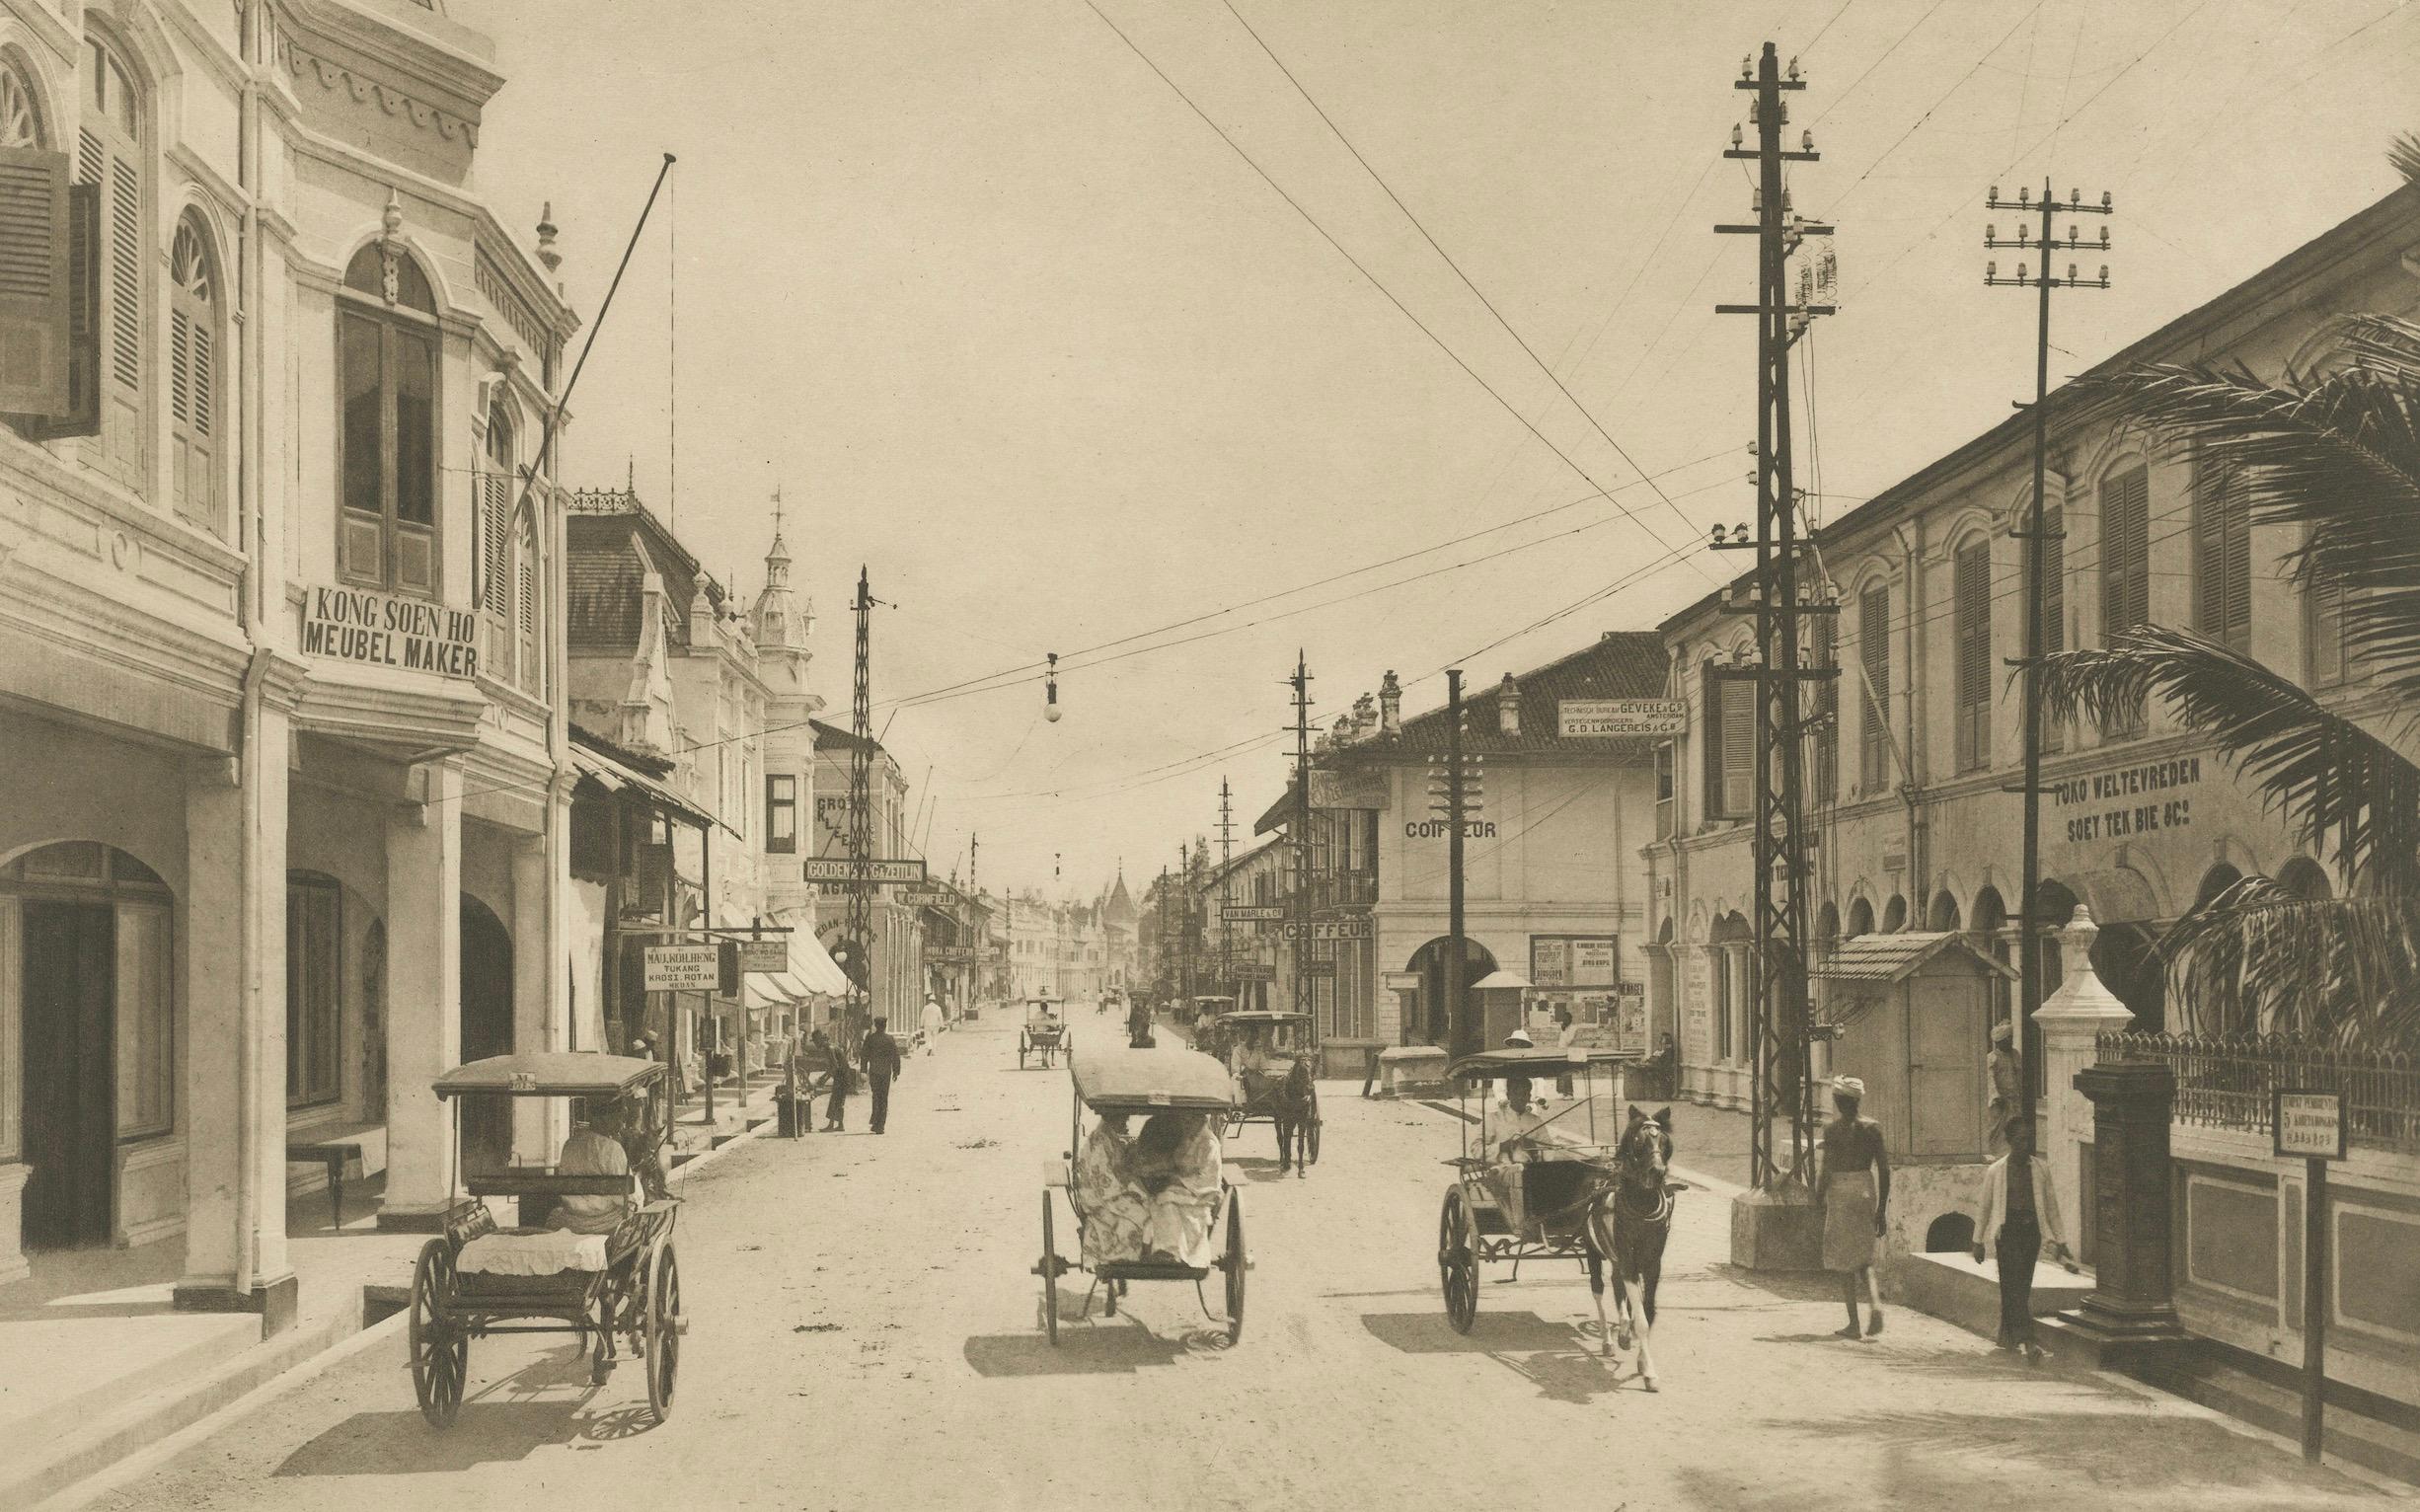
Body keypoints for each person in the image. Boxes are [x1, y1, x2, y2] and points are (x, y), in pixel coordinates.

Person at [1973, 1118, 2076, 1359]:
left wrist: (2060, 1240)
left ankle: (2007, 1336)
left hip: (2031, 1234)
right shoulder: (1996, 1171)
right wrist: (1977, 1241)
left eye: (2028, 1139)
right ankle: (2028, 1341)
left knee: (2020, 1286)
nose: (2025, 1144)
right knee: (2013, 1287)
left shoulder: (2041, 1169)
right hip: (2007, 1233)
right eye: (2020, 1140)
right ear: (2009, 1142)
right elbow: (1985, 1207)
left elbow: (2051, 1207)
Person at [1813, 1075, 1891, 1339]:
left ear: (1837, 1100)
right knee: (1864, 1256)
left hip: (1841, 1191)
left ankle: (1854, 1324)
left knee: (1844, 1261)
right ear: (1858, 1100)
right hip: (1865, 1189)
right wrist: (1881, 1209)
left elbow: (1826, 1170)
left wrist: (1817, 1198)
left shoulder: (1832, 1130)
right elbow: (1883, 1168)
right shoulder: (1873, 1128)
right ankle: (1876, 1306)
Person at [1130, 1110, 1223, 1265]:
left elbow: (1208, 1178)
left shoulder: (1209, 1143)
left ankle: (1171, 1250)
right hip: (1185, 1188)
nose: (1185, 1126)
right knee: (1160, 1196)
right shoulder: (1190, 1139)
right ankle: (1159, 1246)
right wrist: (1163, 1171)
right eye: (1185, 1122)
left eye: (1188, 1122)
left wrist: (1178, 1180)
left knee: (1165, 1199)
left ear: (1199, 1121)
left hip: (1201, 1193)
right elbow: (1177, 1163)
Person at [1073, 1110, 1148, 1265]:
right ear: (1114, 1118)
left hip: (1110, 1191)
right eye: (1124, 1120)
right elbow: (1102, 1176)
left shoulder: (1109, 1137)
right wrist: (1131, 1190)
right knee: (1144, 1215)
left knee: (1148, 1203)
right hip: (1101, 1196)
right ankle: (1121, 1256)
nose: (1126, 1124)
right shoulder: (1100, 1139)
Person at [549, 1107, 637, 1236]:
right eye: (617, 1118)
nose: (621, 1124)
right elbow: (626, 1196)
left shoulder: (570, 1144)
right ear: (602, 1120)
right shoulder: (612, 1148)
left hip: (572, 1218)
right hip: (607, 1221)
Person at [860, 1017, 904, 1135]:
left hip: (874, 1072)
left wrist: (863, 1070)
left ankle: (875, 1122)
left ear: (875, 1025)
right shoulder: (889, 1039)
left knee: (876, 1096)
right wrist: (896, 1071)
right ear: (885, 1026)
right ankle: (881, 1125)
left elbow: (864, 1055)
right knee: (884, 1098)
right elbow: (896, 1056)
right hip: (886, 1073)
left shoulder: (870, 1038)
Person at [1986, 1021, 2021, 1157]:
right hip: (1999, 1102)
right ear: (1999, 1042)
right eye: (2007, 1039)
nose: (2010, 1042)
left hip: (2014, 1100)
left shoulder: (2015, 1055)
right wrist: (1996, 1097)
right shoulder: (1992, 1058)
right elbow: (1990, 1079)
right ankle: (1995, 1155)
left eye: (2011, 1038)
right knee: (1996, 1130)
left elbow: (2019, 1076)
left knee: (2013, 1128)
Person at [821, 1041, 855, 1132]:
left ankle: (831, 1125)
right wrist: (823, 1077)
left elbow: (834, 1066)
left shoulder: (830, 1049)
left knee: (836, 1100)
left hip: (842, 1077)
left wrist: (823, 1079)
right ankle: (840, 1125)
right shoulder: (833, 1048)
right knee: (839, 1101)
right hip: (843, 1076)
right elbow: (832, 1067)